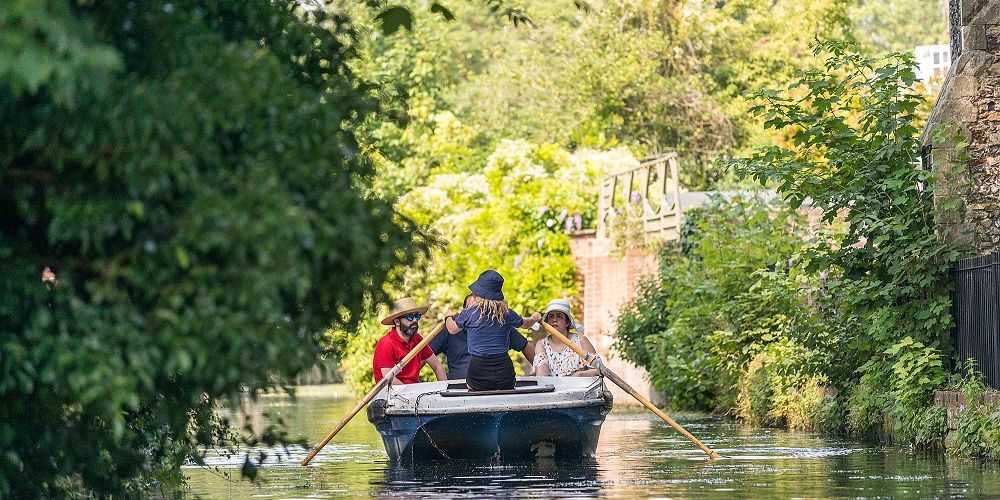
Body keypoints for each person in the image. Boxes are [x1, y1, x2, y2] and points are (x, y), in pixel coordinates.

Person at [444, 270, 541, 391]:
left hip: (478, 371)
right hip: (504, 373)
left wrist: (447, 316)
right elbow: (526, 324)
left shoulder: (469, 312)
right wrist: (534, 318)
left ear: (478, 294)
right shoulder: (506, 313)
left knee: (470, 386)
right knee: (508, 385)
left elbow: (452, 329)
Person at [431, 294, 538, 380]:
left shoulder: (499, 324)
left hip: (495, 383)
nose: (475, 313)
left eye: (479, 309)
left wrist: (541, 372)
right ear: (464, 313)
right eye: (471, 310)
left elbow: (525, 345)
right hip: (458, 389)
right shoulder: (449, 329)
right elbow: (425, 353)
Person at [372, 297, 447, 385]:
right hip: (390, 395)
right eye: (410, 317)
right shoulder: (386, 343)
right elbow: (389, 379)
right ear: (397, 322)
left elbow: (437, 366)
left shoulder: (417, 339)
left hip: (413, 392)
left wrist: (445, 389)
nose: (415, 320)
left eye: (417, 316)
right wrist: (411, 395)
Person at [533, 298, 600, 377]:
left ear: (567, 322)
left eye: (559, 316)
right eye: (551, 316)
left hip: (582, 388)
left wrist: (581, 374)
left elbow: (599, 370)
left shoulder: (581, 340)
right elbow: (542, 371)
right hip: (554, 388)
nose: (554, 319)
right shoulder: (542, 344)